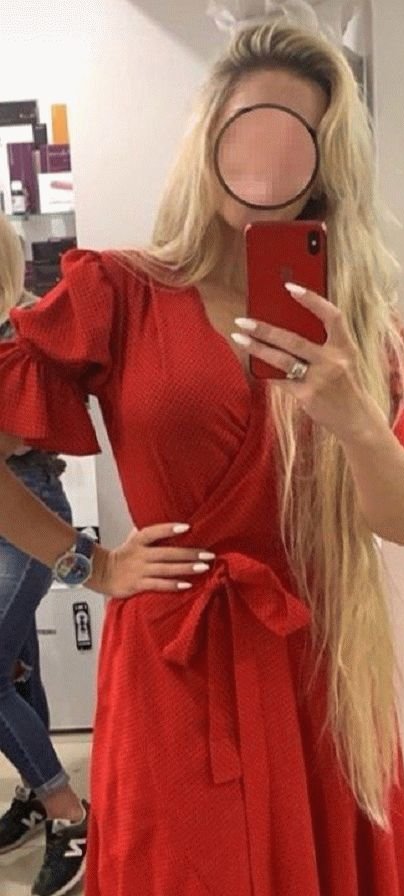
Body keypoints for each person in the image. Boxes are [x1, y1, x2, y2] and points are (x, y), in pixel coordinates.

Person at [0, 17, 404, 896]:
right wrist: (90, 563)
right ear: (209, 144)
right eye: (248, 135)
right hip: (175, 661)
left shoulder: (355, 320)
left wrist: (355, 417)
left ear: (325, 165)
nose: (266, 173)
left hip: (317, 666)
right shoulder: (120, 292)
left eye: (295, 145)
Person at [0, 215, 88, 896]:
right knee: (16, 664)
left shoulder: (25, 329)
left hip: (29, 507)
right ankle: (36, 796)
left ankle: (68, 814)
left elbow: (22, 433)